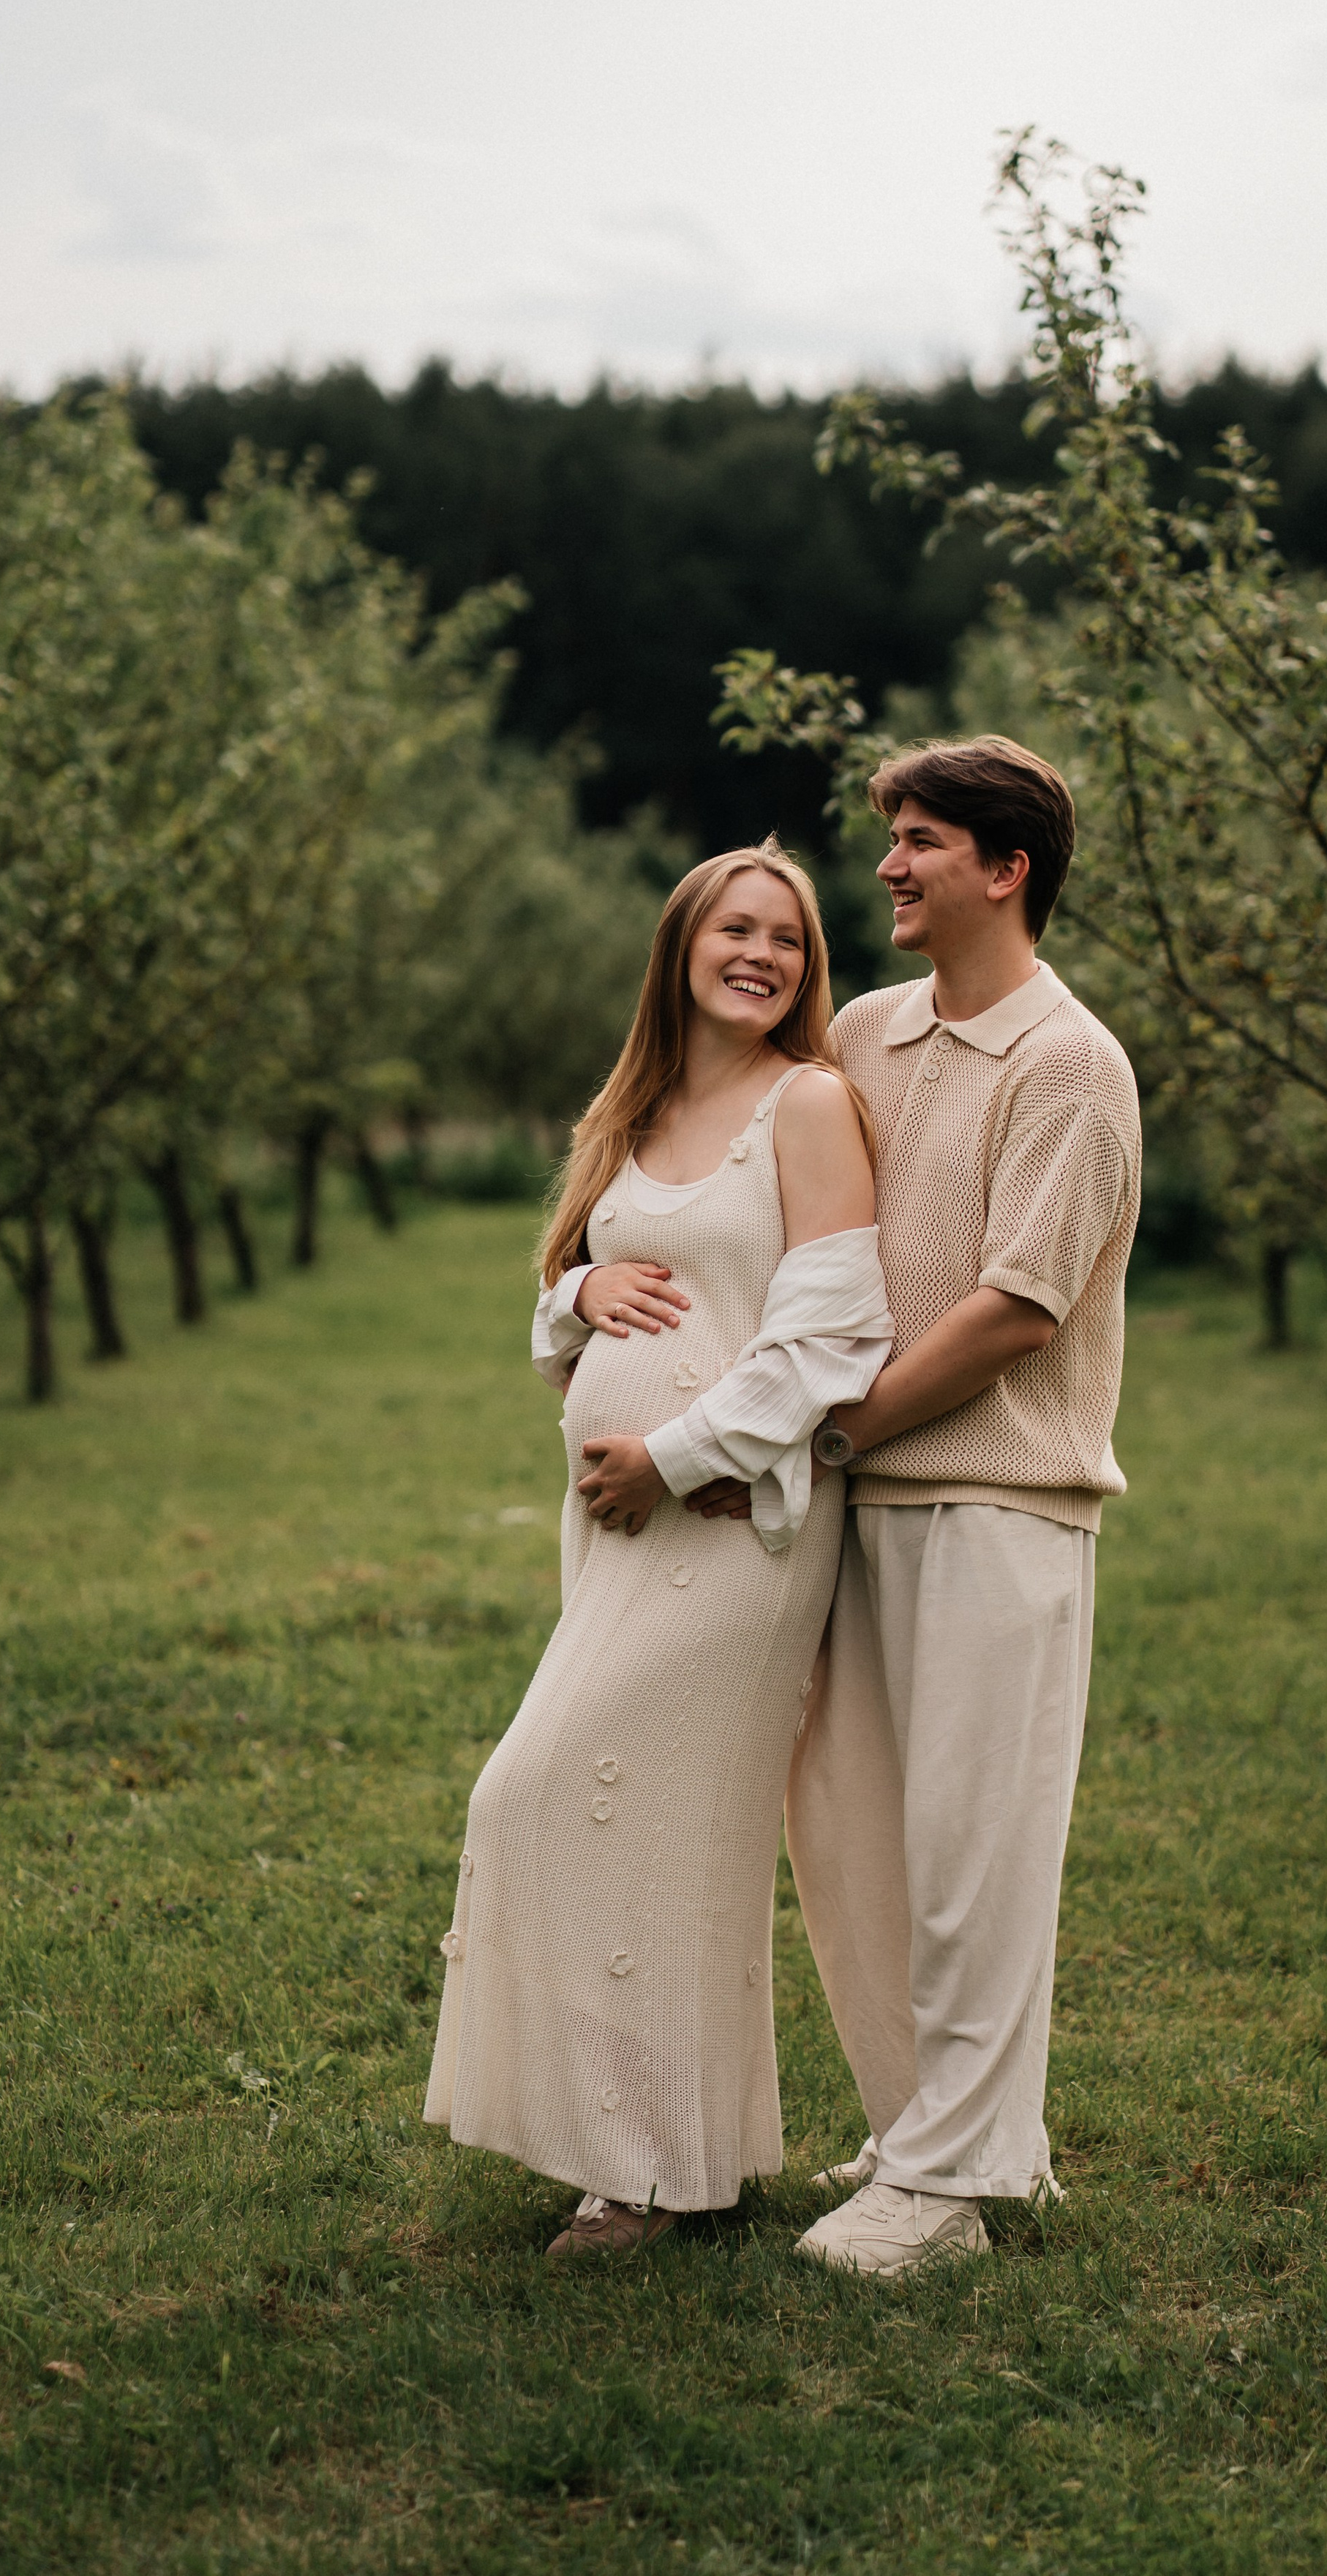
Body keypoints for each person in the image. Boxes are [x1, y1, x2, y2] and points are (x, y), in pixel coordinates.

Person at [687, 737, 1140, 2279]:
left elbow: (1018, 1305)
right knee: (853, 1835)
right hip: (854, 1502)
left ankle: (953, 2190)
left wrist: (842, 1426)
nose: (881, 865)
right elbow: (741, 1193)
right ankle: (924, 2134)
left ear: (1002, 870)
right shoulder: (868, 1035)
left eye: (918, 840)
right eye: (889, 835)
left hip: (998, 1506)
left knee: (972, 1849)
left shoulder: (1070, 1065)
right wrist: (600, 1276)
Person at [424, 840, 892, 2256]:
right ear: (680, 948)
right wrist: (577, 1284)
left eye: (791, 942)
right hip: (622, 1526)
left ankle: (643, 2172)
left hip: (733, 1524)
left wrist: (670, 1454)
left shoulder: (810, 1105)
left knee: (547, 1796)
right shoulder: (636, 1113)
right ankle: (655, 2162)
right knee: (630, 1827)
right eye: (737, 931)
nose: (762, 957)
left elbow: (832, 1335)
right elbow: (554, 1324)